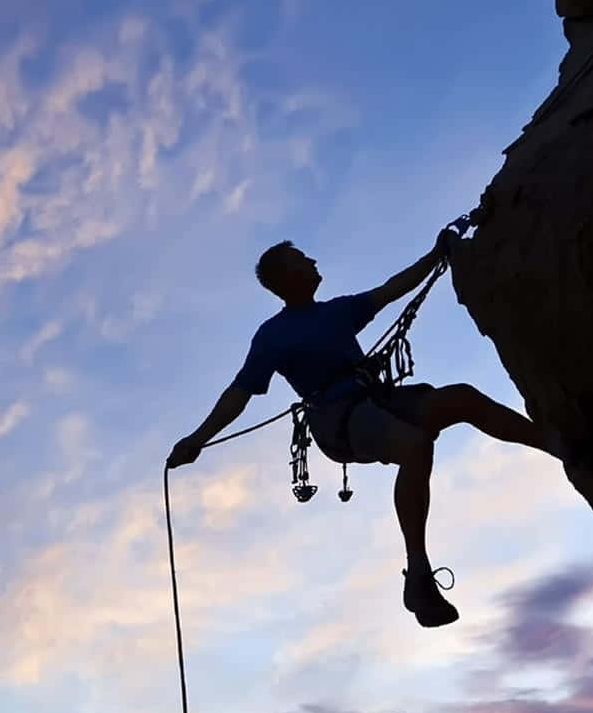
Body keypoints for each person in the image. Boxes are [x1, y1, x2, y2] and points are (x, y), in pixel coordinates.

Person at [167, 230, 571, 628]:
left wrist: (436, 255)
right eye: (301, 260)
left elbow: (393, 289)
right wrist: (198, 439)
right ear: (284, 279)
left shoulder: (337, 311)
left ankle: (556, 443)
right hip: (337, 419)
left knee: (461, 398)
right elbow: (240, 392)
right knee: (414, 447)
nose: (312, 262)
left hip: (375, 400)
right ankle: (418, 571)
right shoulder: (273, 335)